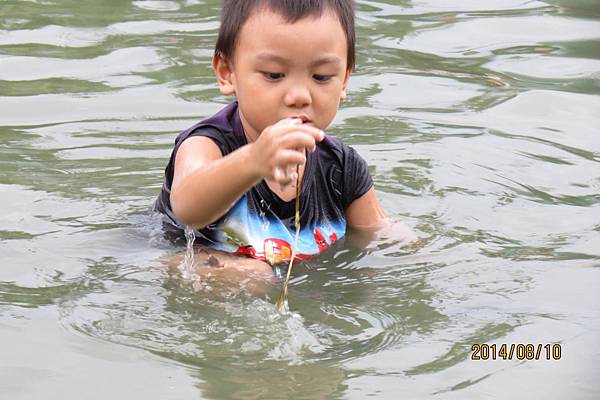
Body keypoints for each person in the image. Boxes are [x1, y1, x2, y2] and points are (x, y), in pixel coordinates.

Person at [154, 0, 414, 273]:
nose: (300, 96)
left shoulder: (342, 167)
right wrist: (253, 161)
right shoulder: (206, 144)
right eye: (275, 75)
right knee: (257, 274)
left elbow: (377, 231)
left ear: (345, 80)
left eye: (322, 77)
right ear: (227, 72)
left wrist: (423, 254)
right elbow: (188, 209)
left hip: (295, 290)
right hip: (181, 261)